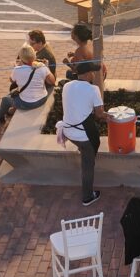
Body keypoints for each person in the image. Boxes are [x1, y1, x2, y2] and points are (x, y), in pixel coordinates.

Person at [57, 61, 109, 206]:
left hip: (67, 131)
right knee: (88, 165)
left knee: (84, 148)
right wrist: (109, 116)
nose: (93, 74)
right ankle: (88, 197)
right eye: (92, 72)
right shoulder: (93, 89)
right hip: (82, 135)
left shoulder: (67, 85)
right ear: (86, 74)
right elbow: (99, 114)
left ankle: (83, 150)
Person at [0, 45, 55, 123]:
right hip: (42, 98)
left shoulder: (17, 70)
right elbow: (52, 82)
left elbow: (12, 81)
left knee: (5, 99)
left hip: (28, 103)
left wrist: (16, 67)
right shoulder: (42, 67)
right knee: (13, 93)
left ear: (21, 58)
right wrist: (47, 67)